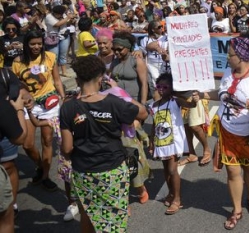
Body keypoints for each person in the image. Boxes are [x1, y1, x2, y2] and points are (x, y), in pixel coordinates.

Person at [60, 55, 147, 233]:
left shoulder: (68, 108)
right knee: (113, 220)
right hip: (112, 170)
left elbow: (67, 148)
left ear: (77, 79)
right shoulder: (115, 103)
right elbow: (143, 113)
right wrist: (118, 91)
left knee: (87, 215)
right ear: (101, 79)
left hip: (83, 170)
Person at [201, 30, 249, 230]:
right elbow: (221, 93)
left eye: (231, 54)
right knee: (233, 171)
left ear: (242, 56)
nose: (227, 58)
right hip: (226, 132)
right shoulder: (227, 72)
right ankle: (237, 210)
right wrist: (202, 95)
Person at [12, 29, 65, 192]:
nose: (36, 47)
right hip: (28, 105)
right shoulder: (18, 61)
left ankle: (45, 176)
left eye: (39, 44)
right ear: (26, 45)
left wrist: (62, 97)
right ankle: (41, 166)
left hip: (49, 104)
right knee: (27, 144)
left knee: (47, 141)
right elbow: (15, 84)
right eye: (32, 44)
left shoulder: (50, 57)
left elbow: (56, 80)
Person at [149, 73, 199, 215]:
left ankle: (177, 199)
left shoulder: (175, 101)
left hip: (173, 142)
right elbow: (154, 125)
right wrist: (152, 142)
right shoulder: (155, 105)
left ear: (172, 88)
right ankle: (171, 193)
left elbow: (190, 105)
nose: (161, 89)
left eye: (165, 87)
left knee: (172, 170)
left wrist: (195, 100)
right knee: (166, 170)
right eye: (159, 86)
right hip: (161, 142)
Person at [0, 74, 28, 233]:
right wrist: (19, 109)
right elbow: (21, 137)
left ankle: (13, 202)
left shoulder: (5, 74)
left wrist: (26, 94)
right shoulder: (3, 105)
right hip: (11, 129)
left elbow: (19, 86)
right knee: (5, 219)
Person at [110, 32, 149, 105]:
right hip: (117, 100)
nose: (116, 52)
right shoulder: (114, 62)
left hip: (134, 101)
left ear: (128, 47)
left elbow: (144, 83)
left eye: (119, 49)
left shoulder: (137, 60)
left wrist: (143, 103)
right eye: (114, 49)